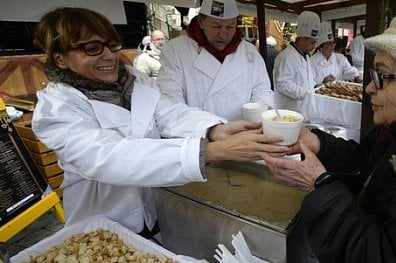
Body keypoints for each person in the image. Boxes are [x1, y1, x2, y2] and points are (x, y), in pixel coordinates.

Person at [31, 7, 290, 238]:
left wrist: (215, 130)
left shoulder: (134, 81)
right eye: (92, 48)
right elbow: (106, 156)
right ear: (59, 58)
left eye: (112, 44)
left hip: (156, 207)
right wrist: (211, 151)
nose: (109, 56)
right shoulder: (57, 109)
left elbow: (167, 113)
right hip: (104, 224)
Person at [262, 5, 396, 262]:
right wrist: (318, 142)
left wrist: (321, 185)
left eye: (382, 76)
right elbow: (365, 160)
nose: (369, 87)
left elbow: (380, 255)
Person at [156, 0, 273, 121]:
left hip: (246, 131)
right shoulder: (176, 50)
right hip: (199, 134)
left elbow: (262, 90)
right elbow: (170, 102)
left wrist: (260, 110)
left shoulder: (250, 52)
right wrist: (210, 129)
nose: (223, 34)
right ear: (201, 22)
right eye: (216, 26)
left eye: (230, 27)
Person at [273, 11, 321, 112]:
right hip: (288, 111)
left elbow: (307, 80)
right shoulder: (287, 56)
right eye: (312, 42)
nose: (314, 46)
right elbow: (282, 84)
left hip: (303, 110)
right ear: (302, 40)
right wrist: (306, 94)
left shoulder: (305, 56)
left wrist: (317, 86)